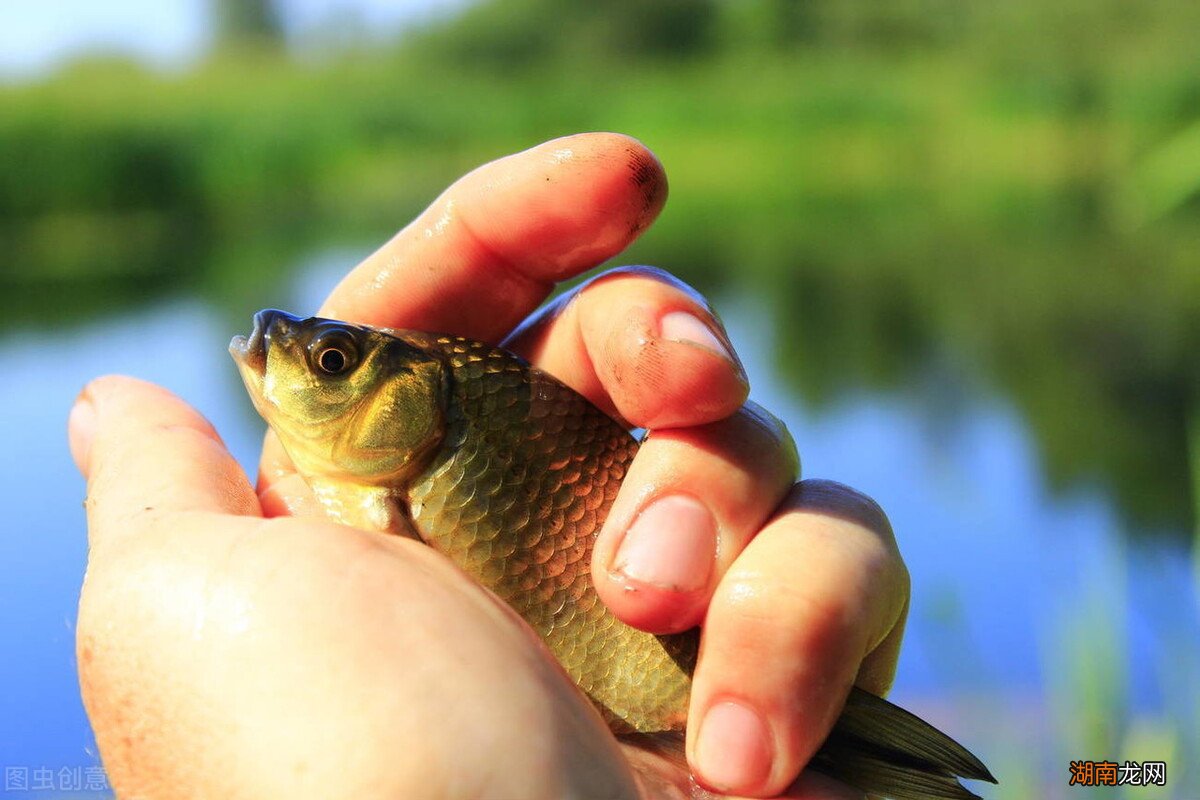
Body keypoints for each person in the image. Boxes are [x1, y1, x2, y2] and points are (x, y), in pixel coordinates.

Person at [68, 133, 909, 800]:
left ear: (416, 410)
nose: (294, 357)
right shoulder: (311, 536)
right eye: (336, 359)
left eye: (330, 363)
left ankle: (839, 738)